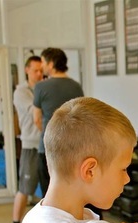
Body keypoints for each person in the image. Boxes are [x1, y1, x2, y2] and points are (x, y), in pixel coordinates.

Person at [33, 47, 84, 197]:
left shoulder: (41, 86)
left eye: (42, 61)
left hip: (48, 147)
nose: (41, 66)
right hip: (73, 147)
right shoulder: (76, 86)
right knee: (72, 191)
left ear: (51, 63)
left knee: (49, 193)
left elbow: (37, 119)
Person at [10, 55, 43, 223]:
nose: (39, 74)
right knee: (25, 187)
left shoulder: (43, 88)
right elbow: (36, 113)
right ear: (27, 70)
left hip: (46, 145)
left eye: (41, 70)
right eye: (35, 70)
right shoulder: (21, 92)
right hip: (30, 145)